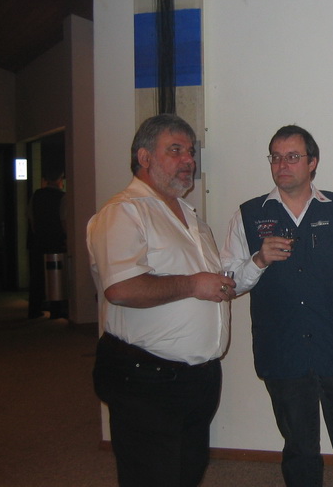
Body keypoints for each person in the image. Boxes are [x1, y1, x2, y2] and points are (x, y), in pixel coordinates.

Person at [222, 124, 333, 487]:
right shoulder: (248, 215)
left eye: (293, 157)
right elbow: (229, 283)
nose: (283, 165)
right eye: (276, 157)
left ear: (312, 163)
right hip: (282, 350)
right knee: (299, 449)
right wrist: (258, 260)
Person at [87, 114, 235, 487]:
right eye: (175, 150)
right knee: (152, 476)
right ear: (145, 157)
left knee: (186, 472)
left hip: (196, 379)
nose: (188, 160)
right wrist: (193, 285)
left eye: (191, 151)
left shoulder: (190, 217)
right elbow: (121, 289)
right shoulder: (124, 212)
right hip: (146, 381)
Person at [27, 169, 67, 319]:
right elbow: (64, 219)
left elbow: (31, 218)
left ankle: (34, 308)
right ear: (60, 180)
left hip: (38, 240)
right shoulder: (62, 197)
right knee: (56, 275)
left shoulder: (36, 195)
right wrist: (66, 237)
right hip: (56, 240)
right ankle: (56, 309)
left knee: (37, 276)